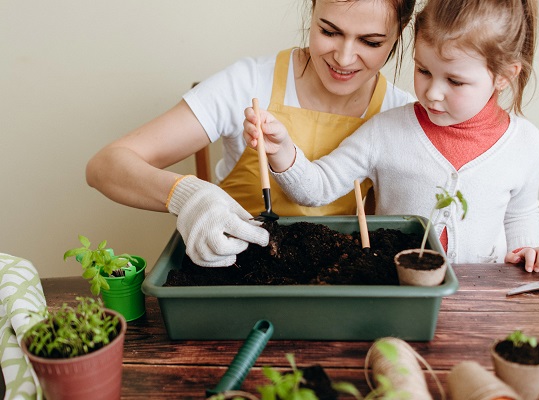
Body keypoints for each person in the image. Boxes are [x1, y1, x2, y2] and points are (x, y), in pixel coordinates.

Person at [86, 0, 417, 267]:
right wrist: (190, 195)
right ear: (312, 9)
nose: (344, 58)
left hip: (337, 283)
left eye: (370, 41)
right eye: (329, 32)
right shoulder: (247, 83)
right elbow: (105, 166)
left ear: (400, 31)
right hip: (237, 270)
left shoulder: (401, 114)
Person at [244, 0, 539, 272]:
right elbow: (318, 187)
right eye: (423, 71)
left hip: (480, 302)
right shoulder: (385, 131)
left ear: (504, 77)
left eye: (455, 81)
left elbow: (521, 213)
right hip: (398, 290)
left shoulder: (527, 143)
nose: (433, 93)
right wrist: (282, 150)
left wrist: (529, 252)